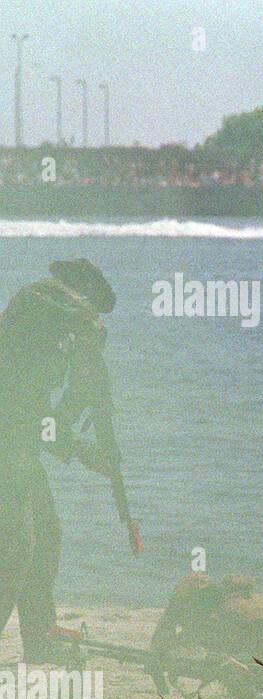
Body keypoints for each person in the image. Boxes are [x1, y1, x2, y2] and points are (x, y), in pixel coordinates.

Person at [0, 259, 140, 662]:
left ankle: (41, 642)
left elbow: (41, 417)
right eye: (86, 299)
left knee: (45, 538)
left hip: (17, 447)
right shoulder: (37, 298)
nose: (88, 311)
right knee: (16, 547)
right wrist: (79, 448)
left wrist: (86, 439)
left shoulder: (52, 339)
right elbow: (21, 409)